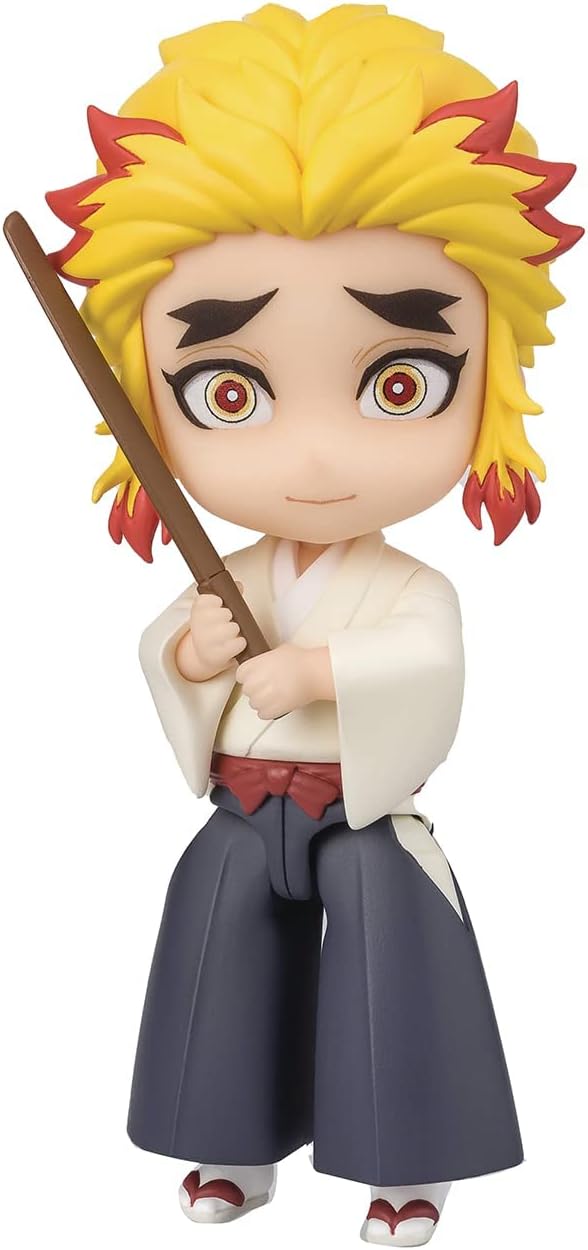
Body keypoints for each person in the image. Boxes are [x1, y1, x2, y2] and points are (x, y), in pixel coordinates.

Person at [45, 5, 582, 1244]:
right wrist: (192, 657)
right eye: (229, 391)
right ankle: (230, 1142)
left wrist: (320, 667)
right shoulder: (226, 572)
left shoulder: (410, 584)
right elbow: (169, 655)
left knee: (399, 966)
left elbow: (428, 661)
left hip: (359, 811)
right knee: (215, 950)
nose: (318, 454)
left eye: (400, 381)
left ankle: (410, 1161)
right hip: (246, 805)